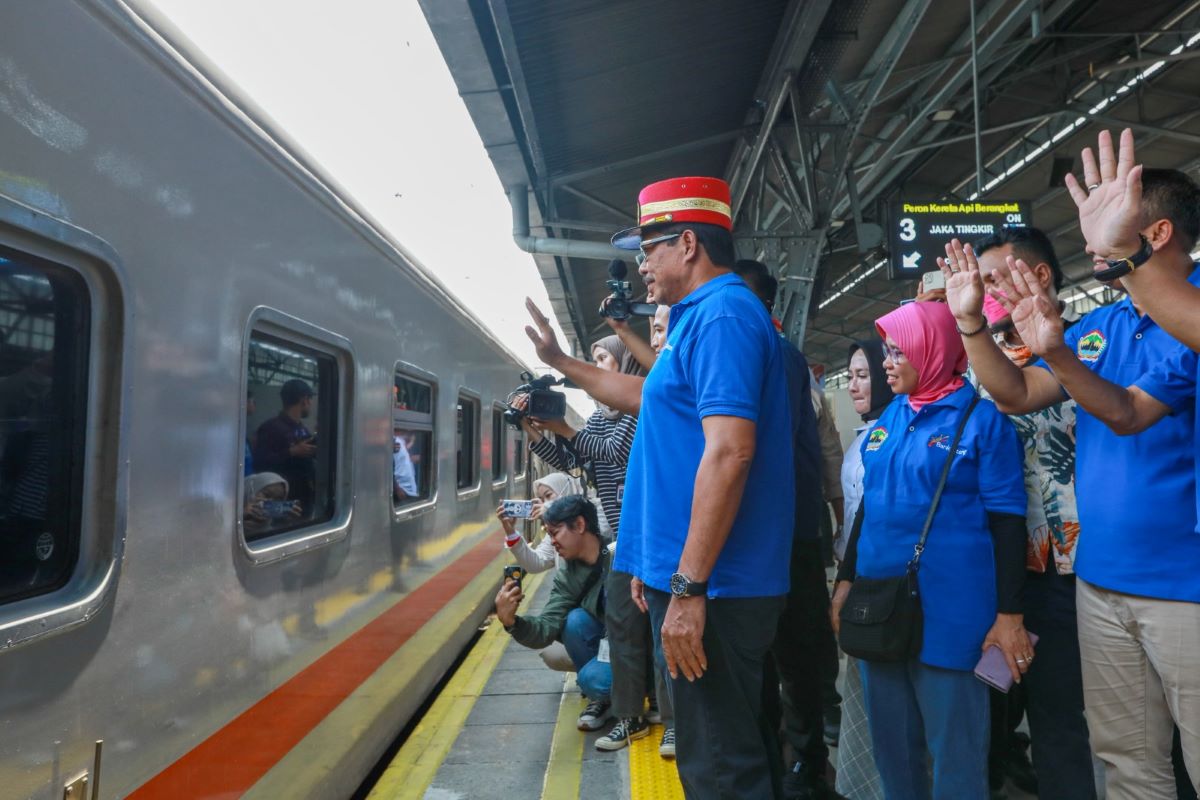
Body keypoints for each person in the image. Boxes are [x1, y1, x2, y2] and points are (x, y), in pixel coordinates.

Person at [522, 176, 795, 799]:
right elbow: (646, 398)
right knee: (721, 746)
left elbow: (730, 453)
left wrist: (690, 586)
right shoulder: (698, 320)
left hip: (718, 586)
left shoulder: (723, 315)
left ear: (689, 243)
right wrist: (562, 363)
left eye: (649, 249)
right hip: (701, 580)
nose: (642, 266)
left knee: (720, 762)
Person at [960, 132, 1200, 799]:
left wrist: (1062, 352)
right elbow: (1015, 393)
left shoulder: (1189, 317)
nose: (1088, 242)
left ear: (1152, 232)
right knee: (1126, 761)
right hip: (1101, 581)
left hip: (1186, 588)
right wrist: (975, 327)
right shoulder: (1110, 324)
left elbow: (1126, 412)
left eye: (1108, 227)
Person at [833, 300, 1029, 800]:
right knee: (893, 753)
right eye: (889, 351)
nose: (888, 362)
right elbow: (867, 512)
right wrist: (844, 584)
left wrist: (1009, 615)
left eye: (900, 351)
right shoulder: (887, 421)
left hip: (952, 618)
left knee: (956, 755)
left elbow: (1008, 524)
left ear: (933, 349)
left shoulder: (982, 423)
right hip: (881, 611)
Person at [950, 228, 1095, 800]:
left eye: (994, 281)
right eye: (980, 283)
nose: (986, 294)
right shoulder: (983, 373)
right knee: (1051, 716)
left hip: (1095, 564)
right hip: (1015, 574)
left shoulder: (1093, 345)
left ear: (1040, 276)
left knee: (1130, 719)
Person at [519, 335, 665, 752]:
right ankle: (628, 713)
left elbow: (615, 453)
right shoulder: (602, 417)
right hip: (624, 542)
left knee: (654, 630)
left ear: (625, 365)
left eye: (603, 359)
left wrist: (566, 426)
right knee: (623, 631)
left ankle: (665, 712)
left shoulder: (638, 410)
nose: (596, 366)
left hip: (649, 535)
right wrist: (534, 433)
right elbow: (575, 459)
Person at [732, 259, 837, 799]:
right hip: (775, 531)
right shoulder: (771, 354)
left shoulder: (777, 356)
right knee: (774, 653)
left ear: (761, 306)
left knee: (791, 652)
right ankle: (787, 757)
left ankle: (804, 762)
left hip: (787, 533)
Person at [493, 495, 614, 732]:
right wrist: (511, 622)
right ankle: (602, 699)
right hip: (610, 644)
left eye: (555, 532)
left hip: (637, 648)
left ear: (579, 525)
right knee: (573, 621)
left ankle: (647, 693)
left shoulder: (618, 554)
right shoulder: (568, 574)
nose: (553, 542)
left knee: (593, 679)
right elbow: (547, 627)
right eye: (549, 534)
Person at [832, 340, 891, 800]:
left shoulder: (896, 432)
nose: (852, 384)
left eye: (862, 375)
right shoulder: (863, 436)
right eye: (849, 376)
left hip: (884, 587)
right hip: (859, 581)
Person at [254, 379, 318, 514]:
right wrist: (291, 452)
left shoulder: (302, 429)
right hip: (283, 504)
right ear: (304, 400)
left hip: (304, 498)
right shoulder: (270, 428)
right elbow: (260, 463)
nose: (310, 404)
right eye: (310, 399)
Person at [499, 472, 582, 574]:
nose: (544, 503)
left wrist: (551, 510)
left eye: (548, 495)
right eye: (542, 499)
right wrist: (511, 533)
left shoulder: (590, 518)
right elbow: (536, 564)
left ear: (565, 491)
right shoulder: (553, 534)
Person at [243, 472, 301, 537]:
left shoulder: (273, 531)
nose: (270, 502)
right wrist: (240, 516)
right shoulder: (231, 511)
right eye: (266, 495)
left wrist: (290, 524)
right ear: (251, 490)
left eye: (278, 499)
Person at [393, 432, 418, 501]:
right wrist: (397, 488)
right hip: (402, 491)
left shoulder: (401, 442)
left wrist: (411, 441)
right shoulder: (395, 441)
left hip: (409, 491)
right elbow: (386, 467)